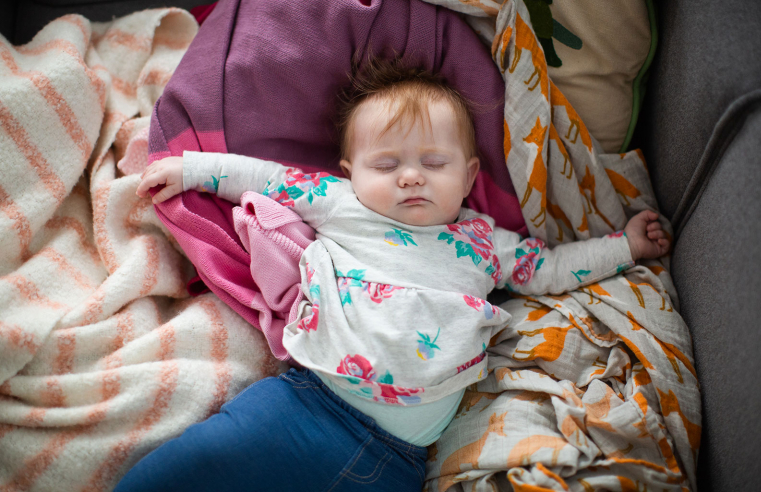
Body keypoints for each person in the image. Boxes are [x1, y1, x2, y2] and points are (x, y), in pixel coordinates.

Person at [121, 59, 669, 492]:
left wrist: (625, 246)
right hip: (309, 404)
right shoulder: (342, 206)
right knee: (193, 466)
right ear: (351, 173)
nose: (410, 177)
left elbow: (551, 268)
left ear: (468, 175)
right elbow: (266, 179)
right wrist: (191, 169)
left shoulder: (485, 243)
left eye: (434, 163)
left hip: (402, 461)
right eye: (385, 166)